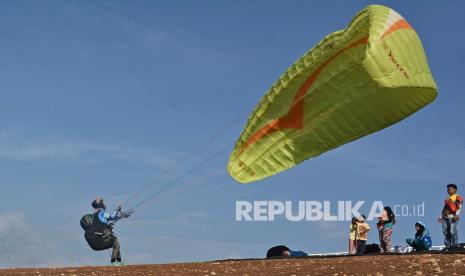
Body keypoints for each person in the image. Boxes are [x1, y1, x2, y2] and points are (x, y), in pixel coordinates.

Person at [87, 197, 132, 266]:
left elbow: (108, 219)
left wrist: (121, 216)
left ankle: (118, 261)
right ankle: (113, 262)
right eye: (103, 202)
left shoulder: (95, 214)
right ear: (100, 204)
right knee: (116, 244)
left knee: (115, 244)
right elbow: (111, 217)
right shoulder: (102, 212)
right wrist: (117, 211)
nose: (104, 203)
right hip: (103, 233)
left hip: (98, 234)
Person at [438, 183, 462, 250]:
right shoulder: (447, 199)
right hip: (445, 217)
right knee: (445, 231)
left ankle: (455, 244)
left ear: (455, 190)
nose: (448, 190)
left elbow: (459, 206)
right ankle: (447, 245)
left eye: (449, 189)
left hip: (453, 217)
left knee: (452, 231)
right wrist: (441, 216)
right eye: (447, 189)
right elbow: (445, 208)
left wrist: (457, 214)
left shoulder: (458, 197)